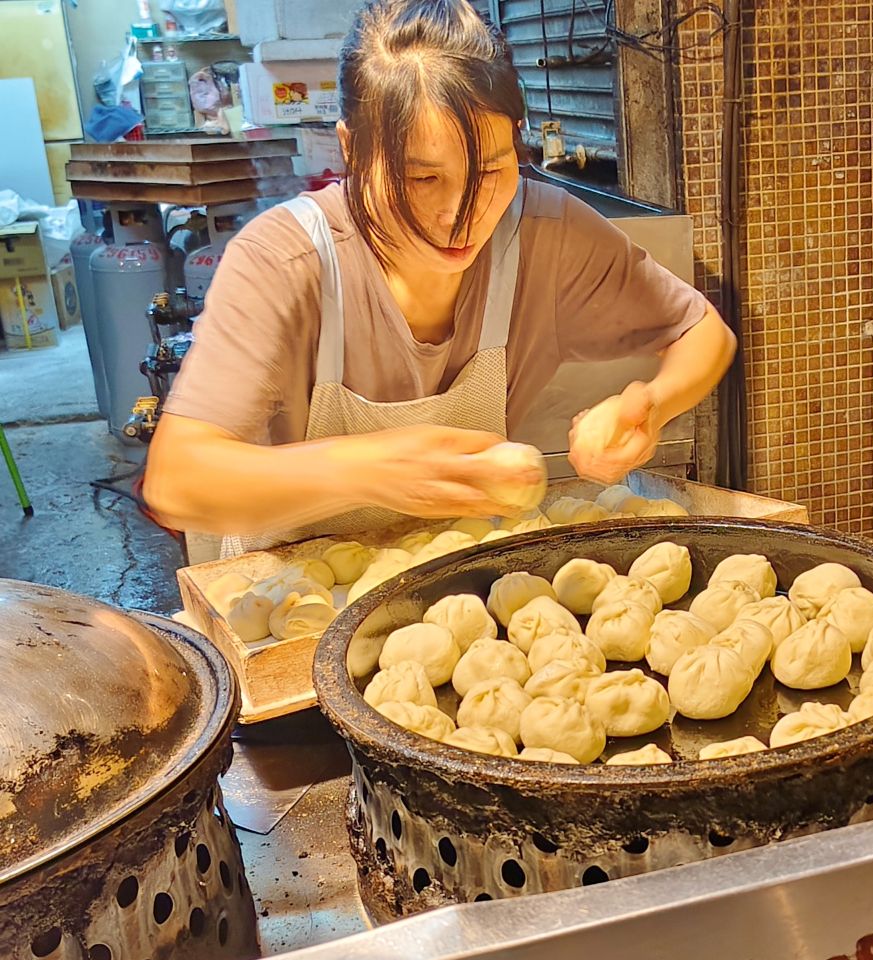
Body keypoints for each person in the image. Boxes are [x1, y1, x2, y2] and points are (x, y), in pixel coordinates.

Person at [144, 0, 735, 554]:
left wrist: (649, 405)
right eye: (422, 179)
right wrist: (369, 471)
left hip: (460, 584)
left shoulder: (545, 234)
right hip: (293, 602)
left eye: (493, 169)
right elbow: (178, 481)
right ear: (352, 150)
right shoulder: (286, 260)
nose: (461, 214)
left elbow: (705, 333)